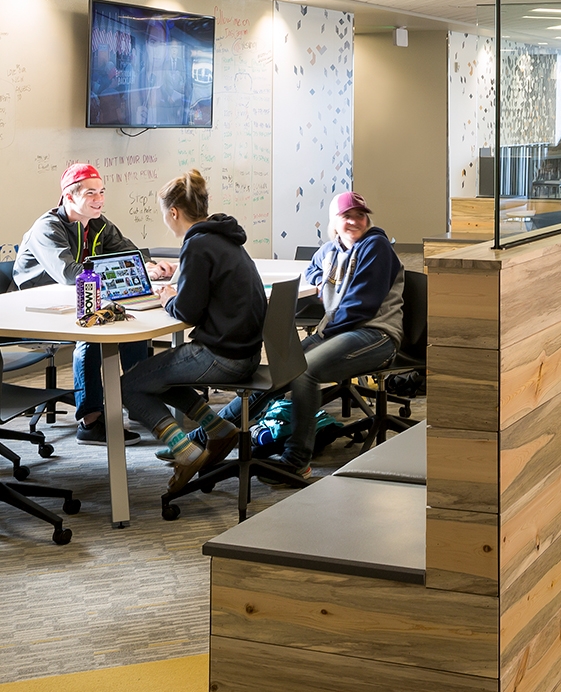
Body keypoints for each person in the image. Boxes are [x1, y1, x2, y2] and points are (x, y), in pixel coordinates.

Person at [218, 191, 402, 478]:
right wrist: (319, 281)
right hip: (340, 332)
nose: (354, 221)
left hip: (375, 335)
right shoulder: (331, 249)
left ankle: (295, 460)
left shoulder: (375, 246)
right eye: (346, 216)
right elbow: (314, 267)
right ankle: (213, 433)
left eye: (360, 215)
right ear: (334, 223)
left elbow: (359, 308)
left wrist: (323, 335)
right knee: (282, 366)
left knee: (304, 372)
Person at [120, 171, 266, 492]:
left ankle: (185, 451)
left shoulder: (197, 245)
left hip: (221, 356)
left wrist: (169, 296)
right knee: (153, 378)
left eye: (165, 215)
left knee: (128, 385)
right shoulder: (223, 237)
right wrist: (183, 274)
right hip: (246, 352)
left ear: (174, 212)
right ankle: (216, 427)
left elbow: (187, 311)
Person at [13, 162, 176, 443]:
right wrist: (122, 273)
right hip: (37, 313)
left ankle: (138, 400)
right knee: (90, 337)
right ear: (69, 197)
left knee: (130, 324)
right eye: (90, 193)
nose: (99, 199)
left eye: (101, 192)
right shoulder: (47, 228)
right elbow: (69, 275)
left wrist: (150, 266)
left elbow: (128, 252)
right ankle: (91, 422)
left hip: (80, 302)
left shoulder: (98, 224)